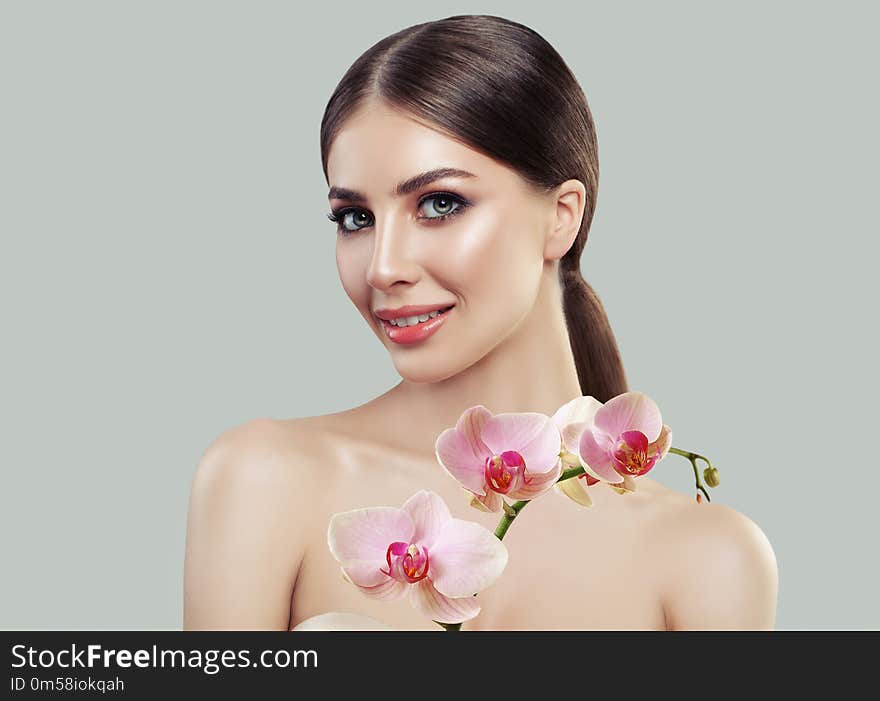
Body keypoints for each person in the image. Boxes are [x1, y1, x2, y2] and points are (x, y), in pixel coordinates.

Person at [183, 14, 778, 631]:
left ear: (562, 217)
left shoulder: (710, 559)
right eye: (355, 218)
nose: (383, 268)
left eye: (440, 204)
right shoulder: (263, 481)